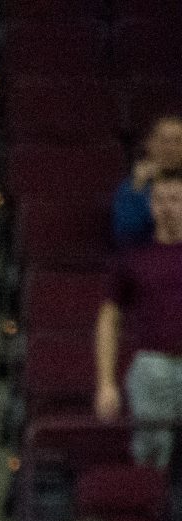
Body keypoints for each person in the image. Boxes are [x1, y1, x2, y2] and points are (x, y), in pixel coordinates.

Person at [96, 170, 182, 469]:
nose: (167, 206)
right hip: (153, 366)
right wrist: (106, 383)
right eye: (160, 199)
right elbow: (109, 318)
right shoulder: (134, 256)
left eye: (175, 199)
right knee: (152, 456)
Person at [116, 114, 182, 250]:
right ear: (149, 144)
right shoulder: (133, 187)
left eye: (178, 141)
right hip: (149, 257)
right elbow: (125, 234)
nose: (170, 148)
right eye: (164, 141)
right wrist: (138, 187)